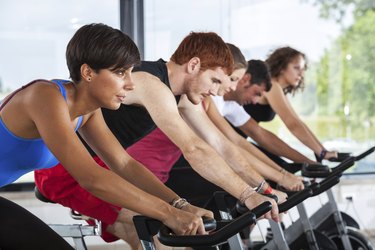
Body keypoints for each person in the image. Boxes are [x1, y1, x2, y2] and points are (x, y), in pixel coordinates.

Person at [35, 32, 279, 249]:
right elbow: (193, 149)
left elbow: (220, 144)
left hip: (104, 165)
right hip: (65, 169)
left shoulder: (181, 97)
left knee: (166, 233)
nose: (215, 93)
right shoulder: (153, 85)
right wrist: (248, 195)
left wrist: (263, 190)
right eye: (214, 81)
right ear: (194, 65)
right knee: (157, 233)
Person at [1, 23, 210, 250]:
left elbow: (124, 163)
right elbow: (91, 178)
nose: (130, 84)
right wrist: (168, 214)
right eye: (120, 72)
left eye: (130, 72)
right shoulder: (45, 97)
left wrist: (179, 204)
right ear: (88, 72)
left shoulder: (88, 111)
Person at [240, 47, 337, 163]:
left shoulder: (278, 89)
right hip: (231, 138)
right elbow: (292, 124)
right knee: (283, 167)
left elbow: (297, 121)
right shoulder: (271, 86)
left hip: (241, 138)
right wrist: (322, 153)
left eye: (302, 69)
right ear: (282, 67)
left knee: (285, 166)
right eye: (296, 68)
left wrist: (321, 150)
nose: (301, 73)